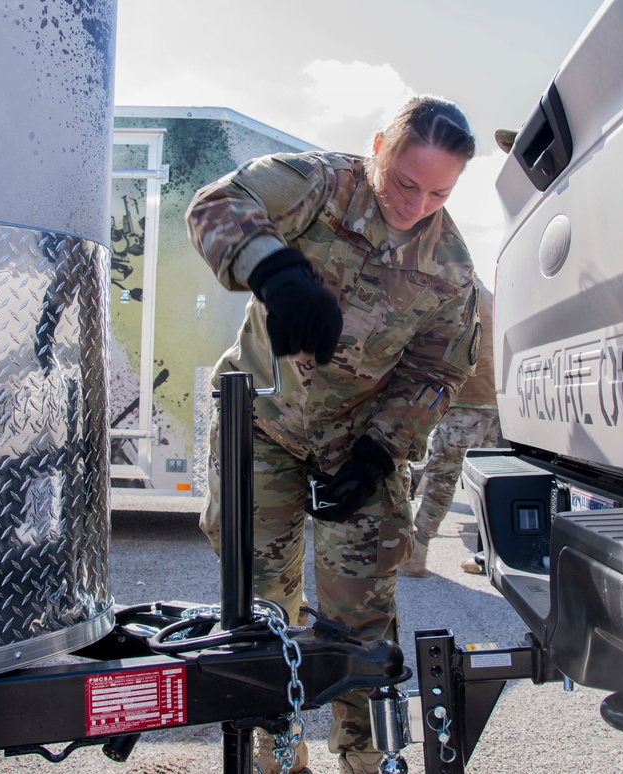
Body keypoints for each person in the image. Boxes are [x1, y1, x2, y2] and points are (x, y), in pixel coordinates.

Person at [185, 95, 480, 774]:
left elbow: (435, 373)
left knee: (363, 612)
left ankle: (367, 754)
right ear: (378, 146)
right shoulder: (319, 185)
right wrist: (277, 271)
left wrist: (379, 452)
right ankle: (277, 743)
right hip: (264, 424)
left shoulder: (452, 269)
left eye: (439, 192)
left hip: (358, 440)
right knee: (262, 599)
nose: (416, 203)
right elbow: (216, 204)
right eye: (405, 182)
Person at [400, 275, 500, 576]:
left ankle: (417, 552)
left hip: (465, 401)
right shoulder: (489, 296)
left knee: (441, 481)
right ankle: (490, 558)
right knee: (491, 485)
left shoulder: (453, 289)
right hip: (495, 402)